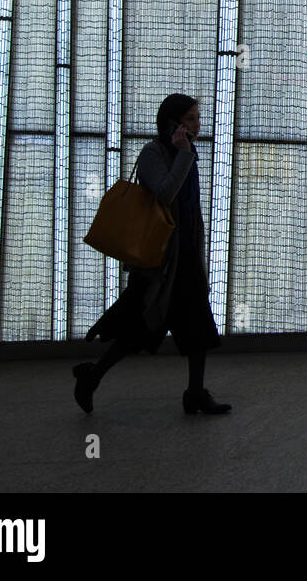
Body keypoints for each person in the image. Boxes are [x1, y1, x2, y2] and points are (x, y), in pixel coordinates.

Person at [73, 93, 231, 415]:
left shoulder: (187, 152)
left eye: (198, 119)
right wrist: (184, 155)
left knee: (197, 327)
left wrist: (199, 255)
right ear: (171, 122)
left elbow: (190, 210)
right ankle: (92, 375)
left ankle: (196, 393)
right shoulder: (154, 153)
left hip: (184, 256)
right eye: (190, 119)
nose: (197, 125)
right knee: (138, 330)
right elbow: (165, 193)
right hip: (160, 261)